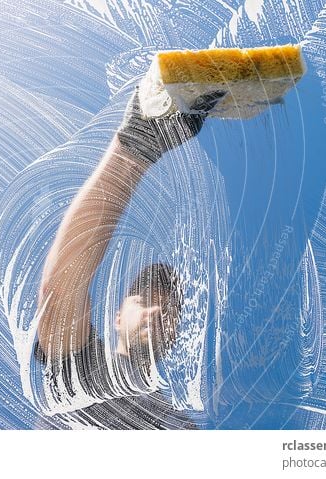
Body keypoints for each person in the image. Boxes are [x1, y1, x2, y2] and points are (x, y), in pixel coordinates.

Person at [32, 87, 225, 429]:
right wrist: (134, 150)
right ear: (118, 317)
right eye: (144, 299)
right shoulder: (81, 371)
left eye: (170, 310)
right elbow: (58, 293)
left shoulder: (180, 429)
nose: (157, 311)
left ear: (177, 336)